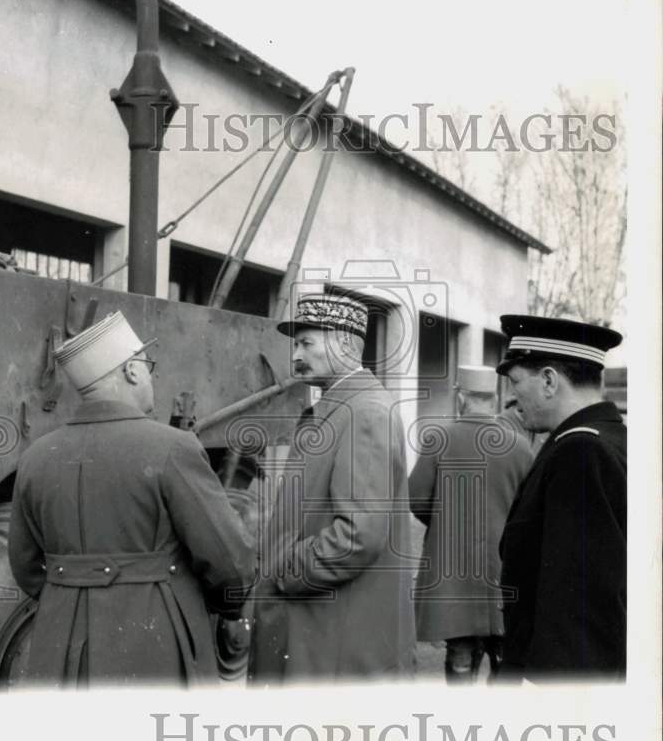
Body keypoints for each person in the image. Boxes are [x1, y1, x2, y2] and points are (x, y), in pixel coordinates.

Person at [8, 310, 255, 687]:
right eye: (147, 365)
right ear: (132, 370)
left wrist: (73, 593)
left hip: (58, 654)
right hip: (156, 645)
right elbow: (229, 560)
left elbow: (25, 566)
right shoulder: (174, 448)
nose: (150, 376)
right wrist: (230, 611)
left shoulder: (35, 457)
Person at [247, 288, 416, 683]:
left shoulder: (364, 413)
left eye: (306, 342)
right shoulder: (343, 407)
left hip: (333, 642)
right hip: (325, 632)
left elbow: (357, 536)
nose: (295, 356)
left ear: (343, 344)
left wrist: (284, 568)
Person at [495, 314, 626, 680]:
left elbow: (579, 608)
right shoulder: (605, 439)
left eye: (516, 381)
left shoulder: (579, 452)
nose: (512, 395)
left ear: (549, 381)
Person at [409, 365, 534, 682]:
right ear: (494, 398)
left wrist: (443, 520)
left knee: (460, 660)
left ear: (460, 396)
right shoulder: (520, 446)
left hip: (454, 572)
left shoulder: (438, 438)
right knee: (506, 664)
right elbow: (531, 512)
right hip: (506, 572)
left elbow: (417, 500)